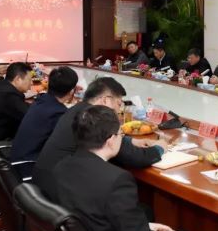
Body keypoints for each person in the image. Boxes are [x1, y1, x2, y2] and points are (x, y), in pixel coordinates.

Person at [54, 105, 218, 231]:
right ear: (110, 141)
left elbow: (94, 215)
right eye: (120, 134)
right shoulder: (116, 180)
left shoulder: (62, 167)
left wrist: (145, 226)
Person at [34, 76, 163, 201]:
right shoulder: (95, 119)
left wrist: (132, 141)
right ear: (105, 100)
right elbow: (135, 157)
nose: (119, 110)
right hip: (61, 191)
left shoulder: (80, 110)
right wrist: (160, 148)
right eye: (119, 104)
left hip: (45, 185)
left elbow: (105, 137)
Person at [11, 66, 79, 168]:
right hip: (29, 165)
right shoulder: (58, 113)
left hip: (18, 158)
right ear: (72, 91)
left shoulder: (41, 100)